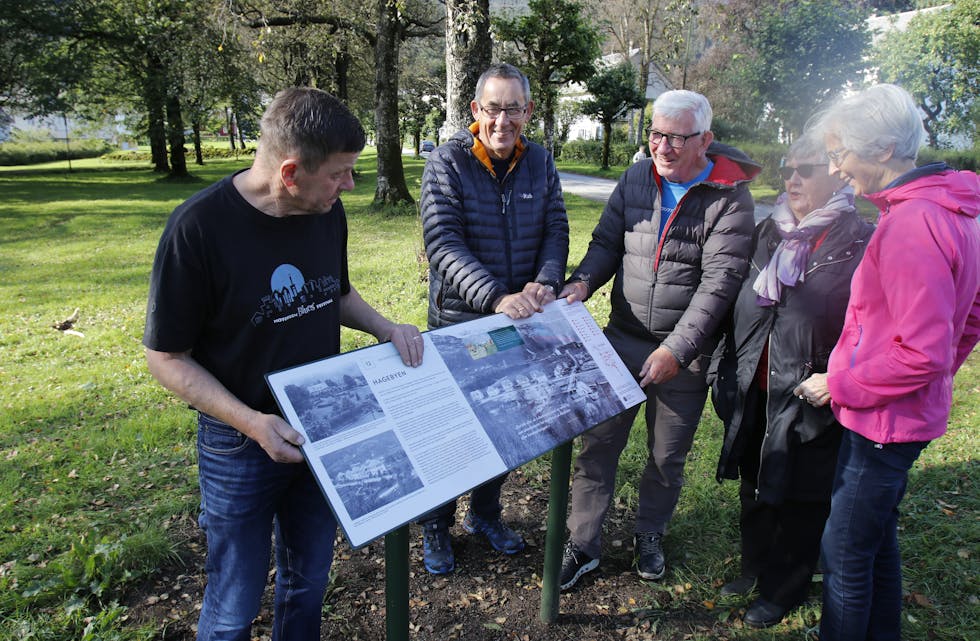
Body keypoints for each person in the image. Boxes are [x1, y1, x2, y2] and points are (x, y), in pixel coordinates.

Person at [143, 87, 425, 641]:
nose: (350, 185)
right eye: (339, 174)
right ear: (290, 173)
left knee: (308, 582)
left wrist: (386, 327)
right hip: (239, 442)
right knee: (233, 605)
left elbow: (334, 292)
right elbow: (166, 357)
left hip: (322, 426)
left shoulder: (325, 211)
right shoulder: (197, 229)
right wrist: (251, 422)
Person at [794, 84, 979, 641]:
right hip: (900, 411)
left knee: (845, 556)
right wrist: (933, 375)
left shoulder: (912, 224)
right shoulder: (949, 209)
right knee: (875, 542)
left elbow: (922, 351)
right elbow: (967, 318)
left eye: (840, 153)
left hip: (884, 421)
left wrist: (842, 382)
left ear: (883, 149)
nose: (835, 167)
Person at [557, 89, 759, 590]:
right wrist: (582, 283)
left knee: (666, 456)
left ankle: (650, 533)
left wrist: (677, 350)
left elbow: (719, 286)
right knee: (597, 446)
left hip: (685, 355)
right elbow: (607, 243)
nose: (662, 147)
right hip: (621, 340)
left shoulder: (729, 198)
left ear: (705, 141)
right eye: (655, 134)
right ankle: (582, 543)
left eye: (676, 138)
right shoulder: (636, 178)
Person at [711, 133, 874, 628]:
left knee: (802, 496)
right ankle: (754, 566)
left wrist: (840, 376)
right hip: (755, 383)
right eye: (787, 170)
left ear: (836, 174)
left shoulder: (860, 241)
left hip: (811, 392)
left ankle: (784, 586)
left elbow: (872, 325)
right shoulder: (769, 230)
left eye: (806, 169)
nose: (793, 179)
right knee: (754, 479)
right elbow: (735, 299)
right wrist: (723, 366)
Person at [417, 62, 569, 575]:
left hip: (517, 321)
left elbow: (555, 228)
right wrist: (496, 297)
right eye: (493, 109)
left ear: (528, 111)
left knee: (505, 421)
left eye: (513, 109)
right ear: (475, 110)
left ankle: (484, 514)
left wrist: (544, 283)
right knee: (451, 428)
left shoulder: (540, 161)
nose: (502, 121)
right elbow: (443, 243)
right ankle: (436, 523)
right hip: (461, 323)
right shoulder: (447, 163)